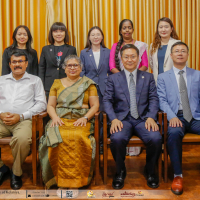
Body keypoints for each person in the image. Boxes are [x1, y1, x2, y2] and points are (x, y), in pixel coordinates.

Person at [103, 44, 162, 190]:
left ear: (139, 58)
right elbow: (107, 101)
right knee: (116, 139)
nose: (130, 59)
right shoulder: (113, 78)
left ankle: (149, 169)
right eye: (126, 57)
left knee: (155, 138)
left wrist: (151, 117)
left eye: (133, 56)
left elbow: (154, 99)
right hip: (122, 120)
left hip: (143, 119)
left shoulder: (147, 77)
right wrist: (114, 119)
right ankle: (120, 171)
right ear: (121, 59)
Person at [39, 55, 99, 190]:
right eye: (69, 66)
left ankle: (75, 182)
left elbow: (95, 106)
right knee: (56, 138)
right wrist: (54, 118)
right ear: (64, 69)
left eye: (75, 65)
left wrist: (85, 118)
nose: (72, 68)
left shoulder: (88, 83)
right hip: (60, 119)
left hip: (81, 120)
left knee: (78, 138)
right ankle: (59, 180)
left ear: (81, 68)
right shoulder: (56, 83)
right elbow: (50, 106)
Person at [157, 41, 200, 195]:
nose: (180, 53)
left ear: (188, 55)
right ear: (171, 55)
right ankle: (178, 175)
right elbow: (161, 100)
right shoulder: (163, 77)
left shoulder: (197, 74)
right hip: (177, 116)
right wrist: (172, 116)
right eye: (177, 51)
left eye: (183, 51)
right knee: (173, 133)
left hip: (196, 117)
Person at [0, 50, 46, 190]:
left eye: (20, 61)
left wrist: (21, 116)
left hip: (24, 120)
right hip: (2, 120)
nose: (17, 64)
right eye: (14, 62)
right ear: (10, 64)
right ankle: (2, 168)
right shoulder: (1, 80)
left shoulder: (35, 80)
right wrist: (1, 113)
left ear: (26, 64)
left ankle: (16, 171)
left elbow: (41, 104)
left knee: (22, 140)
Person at [109, 19, 148, 156]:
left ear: (133, 29)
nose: (126, 30)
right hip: (120, 80)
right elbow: (112, 65)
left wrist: (134, 74)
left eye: (129, 27)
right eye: (124, 28)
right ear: (120, 31)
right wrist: (123, 77)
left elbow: (145, 64)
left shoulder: (141, 45)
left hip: (138, 80)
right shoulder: (115, 45)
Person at [39, 22, 77, 98]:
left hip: (67, 86)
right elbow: (41, 68)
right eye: (56, 31)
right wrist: (41, 86)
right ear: (52, 34)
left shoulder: (71, 49)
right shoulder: (45, 49)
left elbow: (75, 68)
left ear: (65, 33)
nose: (58, 34)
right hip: (49, 86)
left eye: (61, 31)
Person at [80, 26, 111, 111]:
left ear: (102, 37)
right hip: (89, 86)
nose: (95, 37)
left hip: (105, 87)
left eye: (98, 34)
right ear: (89, 38)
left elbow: (111, 71)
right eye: (93, 35)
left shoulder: (108, 52)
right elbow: (82, 71)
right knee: (91, 112)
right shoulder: (84, 52)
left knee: (104, 112)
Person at [149, 17, 180, 82]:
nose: (163, 30)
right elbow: (152, 63)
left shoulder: (178, 44)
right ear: (158, 29)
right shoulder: (153, 45)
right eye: (161, 27)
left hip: (174, 80)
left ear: (171, 29)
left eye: (166, 27)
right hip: (157, 81)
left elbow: (183, 63)